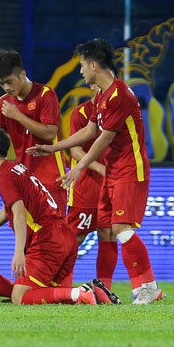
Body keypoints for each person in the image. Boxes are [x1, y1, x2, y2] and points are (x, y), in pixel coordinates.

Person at [27, 39, 163, 305]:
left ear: (93, 65)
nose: (80, 71)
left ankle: (148, 286)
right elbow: (90, 131)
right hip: (114, 171)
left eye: (81, 65)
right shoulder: (102, 95)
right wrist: (54, 148)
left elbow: (104, 138)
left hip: (130, 169)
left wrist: (79, 166)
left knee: (120, 228)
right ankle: (124, 287)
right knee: (109, 230)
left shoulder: (119, 95)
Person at [0, 125, 120, 305]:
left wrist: (19, 253)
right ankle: (93, 291)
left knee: (19, 297)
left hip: (48, 240)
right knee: (56, 297)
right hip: (66, 236)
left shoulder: (4, 177)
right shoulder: (16, 168)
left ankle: (81, 292)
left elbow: (18, 213)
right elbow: (8, 211)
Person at [0, 49, 67, 214]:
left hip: (51, 179)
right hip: (22, 180)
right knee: (23, 228)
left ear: (22, 74)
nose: (6, 87)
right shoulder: (3, 104)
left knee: (54, 228)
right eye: (1, 83)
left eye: (9, 81)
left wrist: (18, 116)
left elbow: (50, 133)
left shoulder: (45, 95)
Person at [66, 84, 118, 290]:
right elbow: (74, 150)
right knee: (74, 238)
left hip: (111, 186)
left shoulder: (117, 112)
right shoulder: (81, 113)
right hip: (86, 187)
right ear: (93, 86)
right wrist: (100, 168)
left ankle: (105, 288)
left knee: (108, 234)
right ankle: (58, 282)